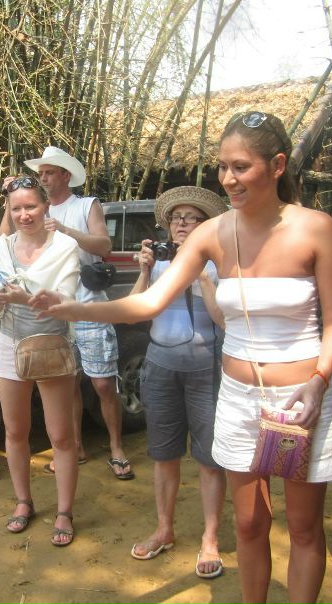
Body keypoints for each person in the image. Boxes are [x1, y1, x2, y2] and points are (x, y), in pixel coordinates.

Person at [40, 111, 332, 603]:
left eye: (241, 167)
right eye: (223, 166)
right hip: (240, 399)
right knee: (248, 523)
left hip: (300, 401)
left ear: (277, 166)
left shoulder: (315, 229)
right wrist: (70, 307)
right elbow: (148, 303)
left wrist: (319, 381)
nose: (228, 178)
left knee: (305, 528)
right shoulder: (213, 233)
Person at [0, 147, 133, 480]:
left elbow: (104, 247)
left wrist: (64, 230)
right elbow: (3, 242)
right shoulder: (27, 208)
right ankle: (75, 446)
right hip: (46, 313)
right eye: (41, 173)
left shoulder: (86, 205)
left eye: (49, 172)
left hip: (87, 304)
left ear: (65, 175)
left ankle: (116, 447)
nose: (44, 177)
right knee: (67, 382)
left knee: (103, 383)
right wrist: (8, 200)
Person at [127, 186, 228, 580]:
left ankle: (210, 539)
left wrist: (201, 274)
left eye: (192, 218)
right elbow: (135, 312)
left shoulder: (219, 263)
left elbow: (223, 320)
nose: (182, 224)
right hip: (160, 365)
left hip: (206, 367)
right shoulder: (160, 263)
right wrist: (145, 271)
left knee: (209, 457)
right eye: (176, 218)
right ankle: (164, 529)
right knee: (164, 453)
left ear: (206, 225)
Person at [0, 175, 81, 546]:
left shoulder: (65, 247)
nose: (24, 215)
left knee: (61, 436)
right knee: (15, 432)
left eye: (31, 206)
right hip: (10, 344)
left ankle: (64, 511)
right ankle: (23, 501)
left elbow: (66, 301)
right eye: (16, 208)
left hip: (50, 344)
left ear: (46, 206)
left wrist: (21, 298)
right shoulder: (1, 246)